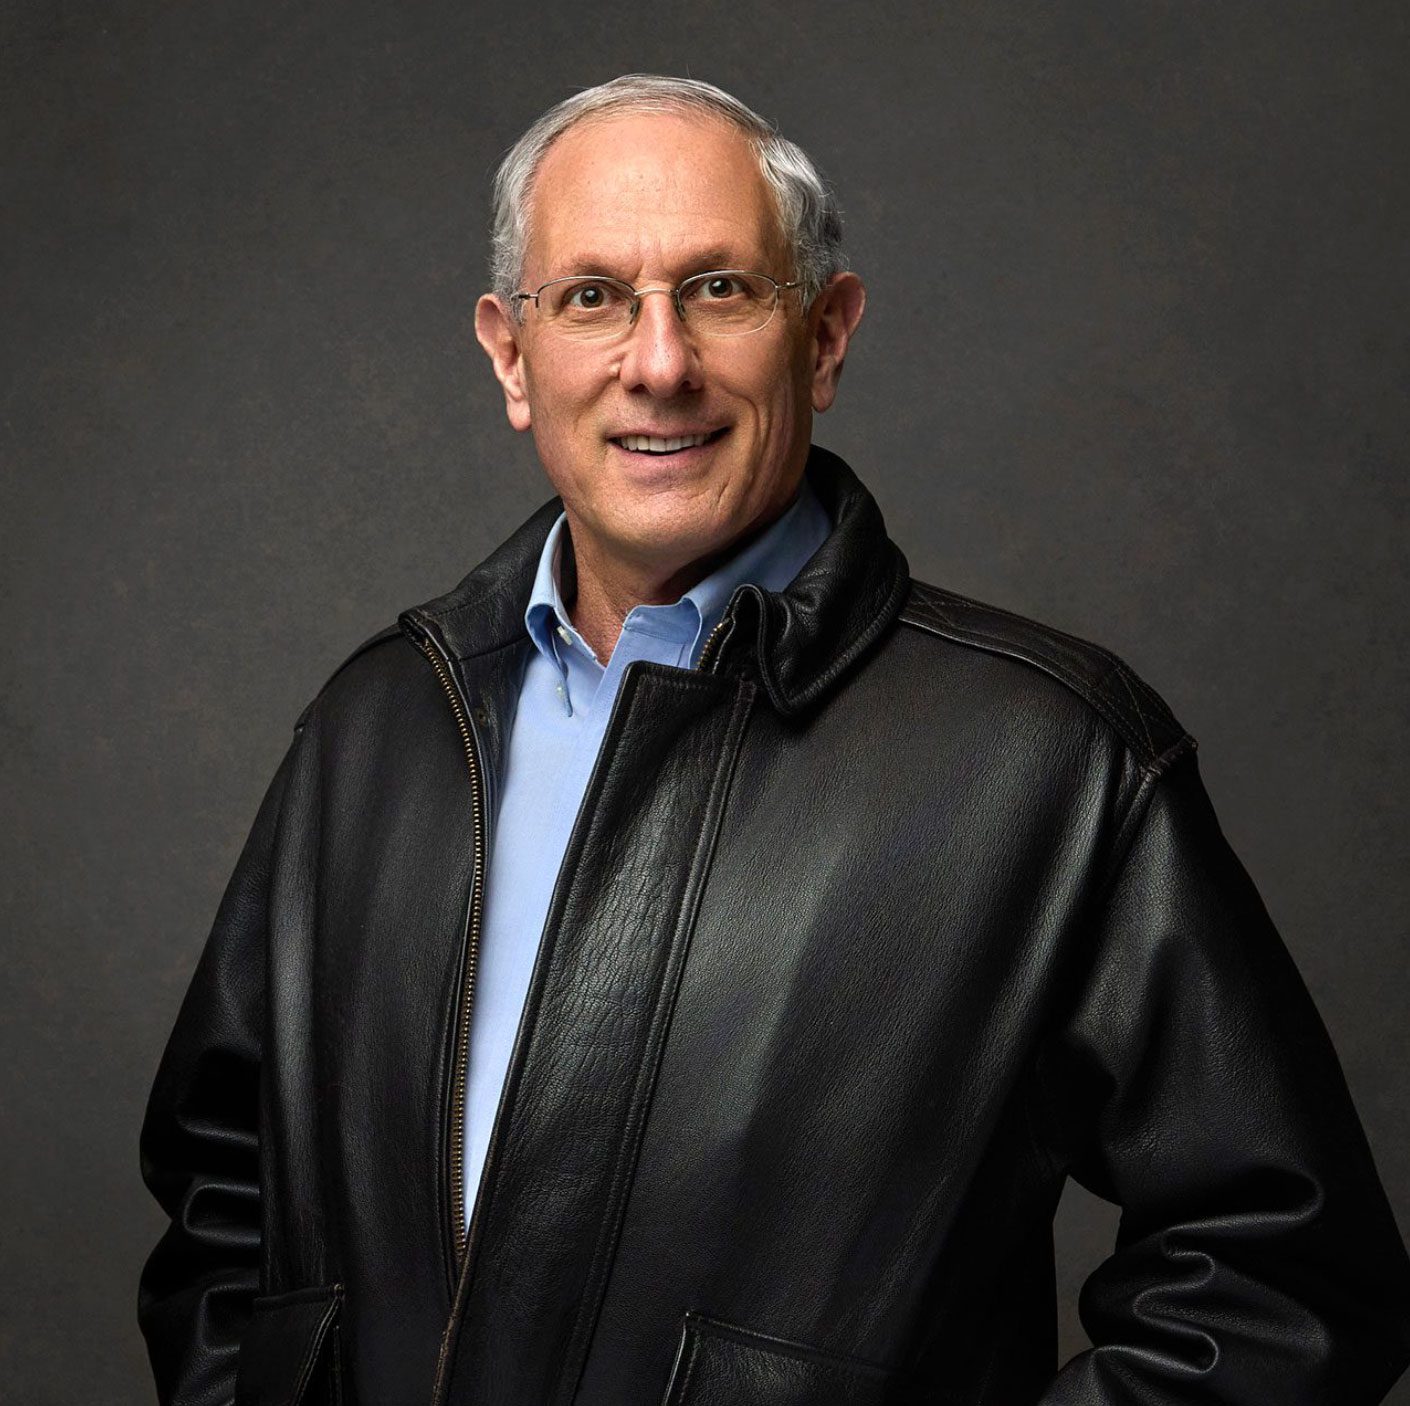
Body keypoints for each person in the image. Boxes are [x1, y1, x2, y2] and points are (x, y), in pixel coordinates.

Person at [139, 73, 1410, 1406]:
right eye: (591, 297)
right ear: (512, 356)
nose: (659, 361)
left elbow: (1283, 1280)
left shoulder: (1049, 761)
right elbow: (229, 1200)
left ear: (825, 335)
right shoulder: (379, 729)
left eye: (719, 289)